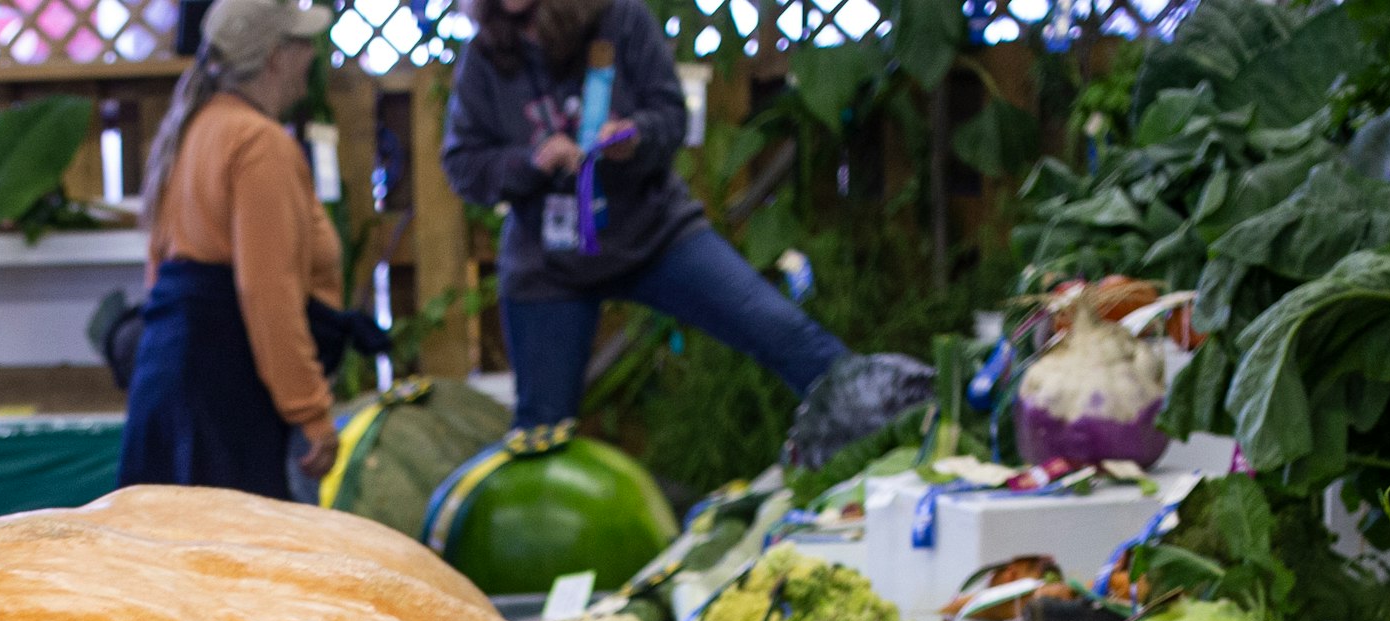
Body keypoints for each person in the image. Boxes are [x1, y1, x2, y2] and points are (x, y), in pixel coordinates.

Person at [442, 0, 854, 436]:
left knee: (782, 330)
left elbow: (671, 116)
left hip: (655, 232)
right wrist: (533, 162)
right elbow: (463, 165)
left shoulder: (619, 19)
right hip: (549, 261)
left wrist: (633, 138)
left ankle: (895, 417)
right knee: (540, 433)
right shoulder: (483, 57)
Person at [119, 0, 344, 500]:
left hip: (174, 382)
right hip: (226, 400)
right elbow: (268, 293)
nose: (312, 55)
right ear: (275, 57)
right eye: (303, 42)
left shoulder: (193, 129)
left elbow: (159, 275)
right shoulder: (258, 143)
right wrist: (310, 411)